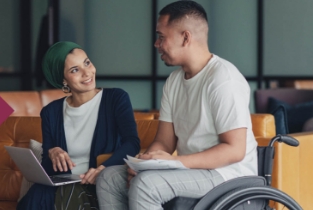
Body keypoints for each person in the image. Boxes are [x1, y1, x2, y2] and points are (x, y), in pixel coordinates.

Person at [96, 1, 258, 209]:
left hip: (228, 175)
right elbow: (164, 142)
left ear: (185, 37)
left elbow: (235, 150)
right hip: (192, 171)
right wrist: (145, 163)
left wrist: (175, 163)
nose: (156, 43)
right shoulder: (174, 81)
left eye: (161, 37)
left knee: (146, 185)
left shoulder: (223, 79)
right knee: (109, 177)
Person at [17, 41, 140, 210]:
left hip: (99, 186)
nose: (87, 73)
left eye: (87, 63)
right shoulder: (50, 112)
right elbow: (49, 170)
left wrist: (102, 170)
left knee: (64, 195)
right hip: (63, 186)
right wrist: (52, 152)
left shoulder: (116, 99)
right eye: (74, 70)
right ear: (63, 80)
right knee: (39, 193)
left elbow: (132, 143)